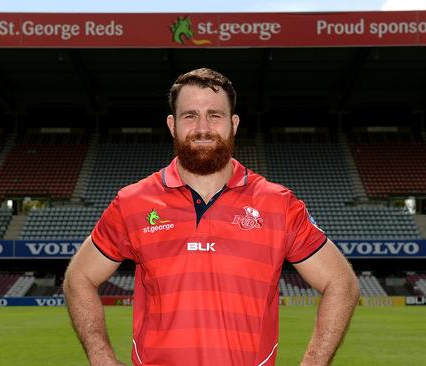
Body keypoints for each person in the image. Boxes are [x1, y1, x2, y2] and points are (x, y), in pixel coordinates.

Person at [64, 68, 360, 366]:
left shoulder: (277, 204)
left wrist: (313, 362)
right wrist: (101, 358)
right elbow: (79, 277)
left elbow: (341, 283)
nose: (202, 127)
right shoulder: (133, 202)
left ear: (233, 124)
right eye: (190, 115)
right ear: (172, 125)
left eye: (215, 115)